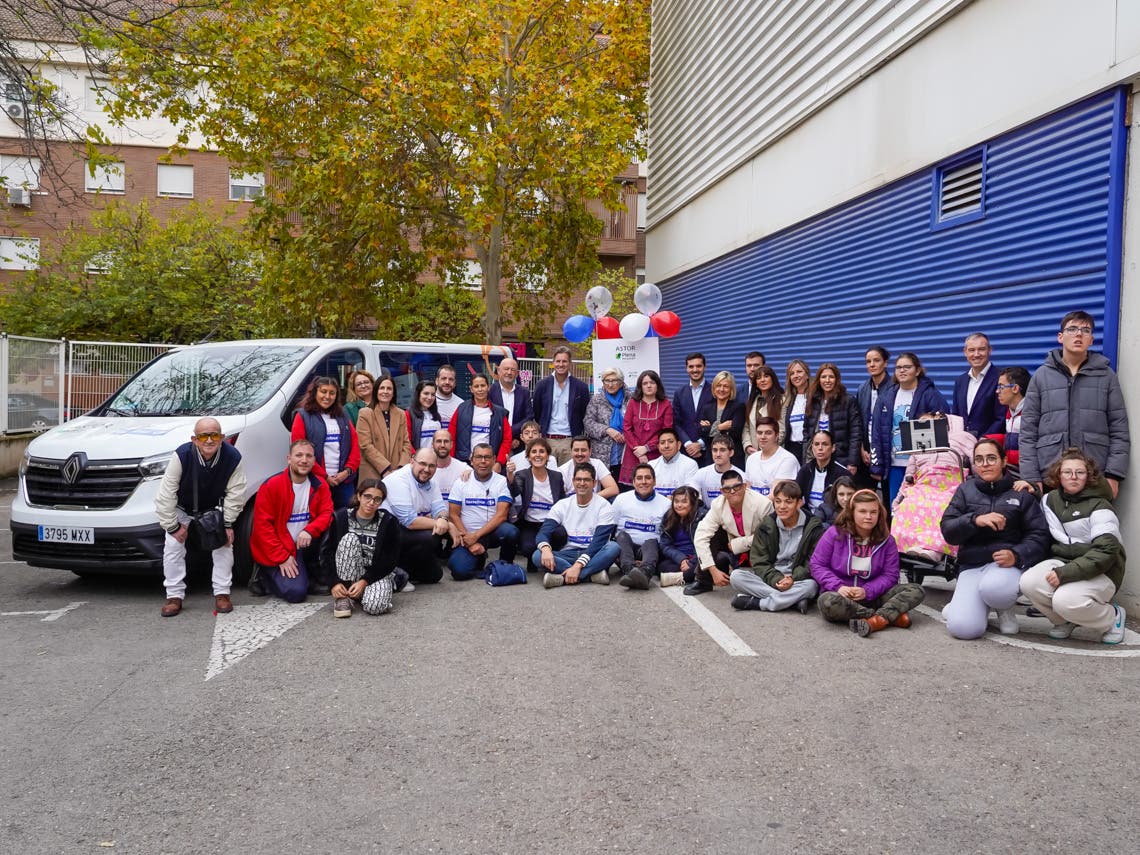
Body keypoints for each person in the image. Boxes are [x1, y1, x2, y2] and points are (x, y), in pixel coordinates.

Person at [939, 438, 1051, 639]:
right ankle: (965, 605)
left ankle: (1003, 607)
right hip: (972, 565)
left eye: (991, 458)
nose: (985, 464)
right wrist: (975, 520)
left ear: (1004, 460)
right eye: (979, 459)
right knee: (963, 629)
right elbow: (948, 530)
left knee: (996, 590)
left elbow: (1040, 535)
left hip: (1006, 567)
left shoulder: (1021, 493)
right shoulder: (965, 490)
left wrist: (1016, 555)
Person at [1020, 448, 1127, 644]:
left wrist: (1066, 573)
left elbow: (1106, 550)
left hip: (1104, 570)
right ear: (1058, 475)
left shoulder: (1100, 505)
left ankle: (1111, 618)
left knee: (1065, 600)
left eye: (1080, 472)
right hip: (1065, 561)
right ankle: (1064, 621)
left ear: (1089, 476)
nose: (1073, 477)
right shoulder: (1051, 500)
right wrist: (1032, 493)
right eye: (1067, 472)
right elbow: (1043, 521)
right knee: (1029, 582)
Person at [1019, 311, 1130, 498]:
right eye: (1072, 329)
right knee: (1049, 526)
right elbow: (1028, 431)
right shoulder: (1041, 376)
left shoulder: (1106, 376)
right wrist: (1031, 476)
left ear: (1092, 340)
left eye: (1085, 330)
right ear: (1060, 337)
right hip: (1051, 475)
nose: (1079, 334)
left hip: (1094, 474)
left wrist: (1114, 474)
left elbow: (1119, 429)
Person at [155, 417, 247, 617]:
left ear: (222, 438)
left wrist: (228, 523)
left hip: (214, 508)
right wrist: (172, 526)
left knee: (224, 544)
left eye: (214, 435)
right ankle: (174, 596)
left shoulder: (233, 457)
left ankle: (222, 593)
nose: (209, 440)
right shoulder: (181, 455)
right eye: (203, 436)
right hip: (183, 507)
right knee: (172, 545)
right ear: (194, 439)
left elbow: (236, 493)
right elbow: (166, 493)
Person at [812, 489, 925, 636]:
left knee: (916, 590)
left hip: (875, 596)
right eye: (863, 511)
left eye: (873, 512)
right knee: (826, 602)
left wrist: (867, 591)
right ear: (851, 512)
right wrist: (838, 586)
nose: (868, 516)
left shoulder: (887, 540)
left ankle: (875, 619)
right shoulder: (835, 533)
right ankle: (884, 617)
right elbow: (817, 565)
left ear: (879, 514)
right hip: (842, 596)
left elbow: (890, 575)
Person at [248, 439, 334, 602]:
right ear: (289, 458)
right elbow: (262, 528)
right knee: (296, 593)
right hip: (280, 548)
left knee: (333, 525)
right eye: (299, 455)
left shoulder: (320, 484)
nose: (304, 460)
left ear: (314, 461)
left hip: (304, 545)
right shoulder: (271, 486)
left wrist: (310, 530)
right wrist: (282, 557)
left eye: (309, 456)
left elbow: (326, 513)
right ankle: (262, 576)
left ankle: (307, 574)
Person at [890, 413, 974, 561]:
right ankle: (910, 546)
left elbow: (976, 461)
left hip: (951, 484)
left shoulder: (962, 438)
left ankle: (936, 550)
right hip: (924, 483)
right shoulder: (918, 447)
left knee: (943, 506)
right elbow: (909, 477)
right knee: (908, 504)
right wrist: (898, 499)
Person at [730, 479, 824, 613]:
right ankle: (793, 601)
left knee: (812, 586)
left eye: (788, 501)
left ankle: (758, 603)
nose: (782, 506)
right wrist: (777, 579)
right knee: (736, 576)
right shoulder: (766, 525)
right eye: (778, 501)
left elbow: (813, 562)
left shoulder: (813, 527)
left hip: (798, 579)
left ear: (799, 503)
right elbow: (759, 561)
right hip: (771, 578)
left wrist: (792, 579)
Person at [869, 352, 949, 505]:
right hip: (894, 466)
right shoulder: (886, 397)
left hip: (923, 467)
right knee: (896, 508)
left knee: (920, 507)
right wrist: (877, 465)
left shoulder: (930, 395)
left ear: (918, 371)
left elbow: (945, 425)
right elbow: (877, 433)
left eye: (907, 367)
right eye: (898, 367)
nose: (902, 370)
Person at [320, 479, 402, 618]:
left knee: (375, 607)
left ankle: (368, 593)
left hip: (375, 574)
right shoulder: (341, 517)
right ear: (359, 496)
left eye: (377, 499)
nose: (371, 503)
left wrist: (365, 581)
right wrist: (333, 583)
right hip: (348, 571)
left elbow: (390, 558)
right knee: (349, 539)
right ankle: (344, 596)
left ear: (381, 502)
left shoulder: (388, 521)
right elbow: (326, 552)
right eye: (367, 497)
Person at [533, 462, 621, 588]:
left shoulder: (604, 506)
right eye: (578, 479)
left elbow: (599, 542)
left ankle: (564, 578)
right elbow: (544, 532)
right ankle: (590, 575)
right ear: (573, 481)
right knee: (538, 555)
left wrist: (578, 566)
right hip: (568, 553)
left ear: (594, 483)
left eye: (586, 480)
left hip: (594, 553)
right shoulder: (562, 505)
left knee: (614, 547)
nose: (582, 483)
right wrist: (546, 549)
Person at [688, 470, 773, 595]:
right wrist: (712, 570)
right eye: (727, 489)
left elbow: (770, 536)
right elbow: (701, 536)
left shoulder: (763, 504)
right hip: (731, 540)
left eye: (736, 487)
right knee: (710, 534)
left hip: (758, 544)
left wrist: (739, 544)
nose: (732, 491)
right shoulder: (717, 504)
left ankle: (767, 578)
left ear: (744, 487)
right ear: (722, 491)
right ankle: (703, 581)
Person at [382, 448, 457, 587]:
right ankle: (394, 573)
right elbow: (409, 521)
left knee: (435, 575)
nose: (427, 469)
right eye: (422, 463)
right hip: (387, 533)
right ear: (412, 461)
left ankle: (405, 571)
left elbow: (440, 509)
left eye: (432, 466)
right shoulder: (398, 480)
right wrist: (448, 524)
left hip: (407, 531)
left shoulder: (432, 482)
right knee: (431, 536)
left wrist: (443, 520)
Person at [447, 443, 518, 581]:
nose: (483, 461)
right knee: (459, 571)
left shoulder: (501, 481)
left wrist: (477, 536)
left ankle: (504, 565)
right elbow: (453, 514)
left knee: (511, 532)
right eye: (479, 457)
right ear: (471, 460)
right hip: (466, 534)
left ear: (494, 459)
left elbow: (502, 515)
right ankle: (479, 558)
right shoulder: (461, 482)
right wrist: (470, 541)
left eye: (487, 457)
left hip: (492, 533)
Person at [290, 375, 360, 509]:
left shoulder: (342, 415)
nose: (327, 396)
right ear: (315, 392)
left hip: (344, 482)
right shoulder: (303, 416)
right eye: (323, 391)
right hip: (315, 480)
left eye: (332, 393)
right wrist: (324, 476)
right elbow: (299, 451)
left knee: (344, 521)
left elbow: (355, 445)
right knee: (320, 520)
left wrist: (347, 472)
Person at [611, 463, 672, 589]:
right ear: (633, 482)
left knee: (652, 541)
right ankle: (630, 570)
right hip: (626, 550)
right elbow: (611, 528)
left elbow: (668, 536)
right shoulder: (621, 499)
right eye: (639, 478)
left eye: (648, 478)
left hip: (651, 551)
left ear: (654, 481)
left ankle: (645, 572)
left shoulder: (666, 504)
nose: (643, 482)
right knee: (621, 536)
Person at [512, 437, 564, 572]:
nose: (538, 455)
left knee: (561, 534)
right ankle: (536, 559)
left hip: (550, 523)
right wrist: (510, 476)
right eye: (534, 452)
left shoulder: (557, 477)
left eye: (542, 451)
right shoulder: (522, 475)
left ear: (548, 456)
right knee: (527, 547)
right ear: (528, 457)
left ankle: (552, 557)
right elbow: (515, 491)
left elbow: (562, 502)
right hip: (530, 523)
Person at [532, 345, 591, 465]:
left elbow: (584, 412)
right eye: (558, 361)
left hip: (570, 441)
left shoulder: (581, 387)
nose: (561, 364)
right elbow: (537, 411)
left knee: (569, 479)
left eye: (564, 361)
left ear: (570, 363)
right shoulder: (542, 385)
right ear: (553, 363)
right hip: (548, 439)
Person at [803, 363, 862, 472]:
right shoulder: (812, 400)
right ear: (818, 380)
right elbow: (806, 429)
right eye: (823, 377)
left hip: (840, 458)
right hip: (816, 458)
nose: (827, 380)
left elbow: (856, 433)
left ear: (837, 379)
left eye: (831, 377)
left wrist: (852, 462)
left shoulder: (847, 400)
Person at [620, 369, 674, 485]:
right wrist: (639, 450)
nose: (649, 386)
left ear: (657, 385)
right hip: (634, 452)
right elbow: (627, 428)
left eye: (652, 383)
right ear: (640, 386)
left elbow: (666, 430)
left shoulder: (666, 404)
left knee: (656, 485)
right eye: (645, 383)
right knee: (634, 488)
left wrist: (647, 448)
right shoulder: (633, 403)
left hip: (656, 453)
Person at [449, 373, 511, 469]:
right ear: (471, 389)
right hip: (464, 463)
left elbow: (507, 440)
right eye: (476, 386)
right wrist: (451, 461)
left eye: (483, 385)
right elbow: (451, 437)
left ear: (488, 387)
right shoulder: (461, 409)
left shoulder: (499, 412)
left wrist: (499, 462)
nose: (480, 389)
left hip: (490, 464)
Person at [357, 371, 410, 481]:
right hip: (373, 473)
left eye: (389, 389)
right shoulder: (365, 413)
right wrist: (385, 469)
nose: (385, 392)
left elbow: (406, 443)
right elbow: (365, 446)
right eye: (382, 388)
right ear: (376, 391)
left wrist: (400, 469)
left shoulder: (401, 414)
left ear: (394, 392)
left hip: (397, 474)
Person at [583, 366, 631, 482]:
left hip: (625, 452)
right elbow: (588, 422)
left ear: (621, 382)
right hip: (602, 455)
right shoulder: (597, 400)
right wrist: (607, 430)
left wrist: (627, 433)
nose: (610, 384)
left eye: (614, 381)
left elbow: (636, 422)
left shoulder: (631, 399)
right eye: (607, 381)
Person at [952, 333, 1003, 438]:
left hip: (989, 446)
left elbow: (1001, 418)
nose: (976, 354)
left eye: (981, 349)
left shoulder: (1001, 378)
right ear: (965, 352)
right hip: (963, 445)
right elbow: (956, 417)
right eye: (971, 350)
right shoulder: (960, 381)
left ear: (990, 350)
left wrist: (984, 440)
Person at [856, 346, 891, 492]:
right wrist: (862, 447)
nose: (872, 364)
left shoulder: (894, 387)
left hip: (887, 450)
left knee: (889, 497)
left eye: (876, 360)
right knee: (865, 494)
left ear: (886, 363)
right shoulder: (862, 389)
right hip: (866, 451)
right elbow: (858, 421)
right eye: (868, 361)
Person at [659, 486, 706, 587]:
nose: (679, 505)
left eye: (684, 502)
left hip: (698, 556)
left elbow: (706, 543)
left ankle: (681, 577)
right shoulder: (668, 517)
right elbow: (665, 545)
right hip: (679, 558)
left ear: (693, 503)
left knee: (703, 565)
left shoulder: (702, 516)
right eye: (676, 501)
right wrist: (681, 559)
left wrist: (691, 562)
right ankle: (690, 575)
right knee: (663, 566)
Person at [795, 431, 850, 515]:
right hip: (808, 518)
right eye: (816, 444)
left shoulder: (842, 473)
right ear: (812, 447)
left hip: (832, 519)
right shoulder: (805, 470)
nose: (820, 448)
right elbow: (795, 495)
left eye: (825, 444)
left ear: (833, 448)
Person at [698, 370, 745, 468]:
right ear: (714, 388)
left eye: (726, 386)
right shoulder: (707, 407)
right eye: (718, 385)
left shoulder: (738, 407)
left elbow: (735, 432)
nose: (722, 389)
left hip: (732, 458)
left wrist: (710, 428)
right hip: (711, 458)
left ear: (731, 389)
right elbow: (701, 432)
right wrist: (720, 427)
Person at [744, 416, 799, 497]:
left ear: (777, 435)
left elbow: (776, 496)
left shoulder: (787, 459)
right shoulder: (751, 459)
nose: (763, 437)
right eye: (759, 433)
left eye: (768, 433)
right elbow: (747, 491)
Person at [673, 352, 713, 463]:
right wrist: (688, 444)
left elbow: (717, 420)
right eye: (691, 366)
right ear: (686, 368)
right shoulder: (679, 393)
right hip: (685, 451)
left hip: (708, 451)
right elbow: (676, 423)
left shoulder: (715, 391)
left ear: (704, 367)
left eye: (698, 366)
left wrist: (700, 443)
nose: (695, 370)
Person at [489, 357, 534, 451]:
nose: (509, 372)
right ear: (498, 370)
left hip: (517, 444)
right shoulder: (490, 391)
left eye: (513, 370)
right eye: (506, 369)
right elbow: (488, 417)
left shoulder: (524, 393)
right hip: (494, 445)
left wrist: (513, 436)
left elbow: (528, 417)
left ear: (517, 373)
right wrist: (507, 438)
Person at [994, 366, 1029, 478]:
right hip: (1011, 469)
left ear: (1015, 388)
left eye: (1001, 387)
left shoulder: (1030, 413)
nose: (997, 391)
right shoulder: (1010, 411)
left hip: (1024, 472)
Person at [742, 366, 784, 457]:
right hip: (752, 454)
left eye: (766, 376)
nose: (762, 380)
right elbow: (746, 427)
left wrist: (768, 449)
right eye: (758, 378)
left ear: (773, 379)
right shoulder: (751, 401)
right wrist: (747, 445)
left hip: (774, 453)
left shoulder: (781, 400)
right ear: (755, 383)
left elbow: (782, 429)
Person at [693, 435, 745, 509]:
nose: (718, 454)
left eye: (722, 450)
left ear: (731, 453)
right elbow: (691, 493)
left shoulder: (741, 476)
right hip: (708, 516)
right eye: (715, 450)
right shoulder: (701, 473)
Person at [649, 427, 699, 499]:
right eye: (662, 443)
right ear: (658, 447)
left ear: (678, 445)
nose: (666, 446)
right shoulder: (651, 465)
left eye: (670, 441)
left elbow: (691, 493)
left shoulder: (690, 464)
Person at [428, 428, 471, 502]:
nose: (442, 445)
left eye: (446, 441)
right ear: (432, 445)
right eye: (438, 441)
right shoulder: (424, 469)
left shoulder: (463, 468)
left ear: (451, 444)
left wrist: (471, 473)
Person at [782, 359, 811, 462]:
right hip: (792, 448)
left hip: (809, 448)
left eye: (799, 371)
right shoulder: (788, 399)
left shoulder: (816, 397)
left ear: (807, 375)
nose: (795, 375)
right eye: (792, 373)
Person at [407, 380, 442, 452]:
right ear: (418, 394)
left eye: (433, 394)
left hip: (436, 459)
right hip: (420, 460)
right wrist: (416, 457)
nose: (429, 397)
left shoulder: (436, 414)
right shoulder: (409, 414)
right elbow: (407, 442)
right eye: (426, 393)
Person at [434, 364, 464, 430]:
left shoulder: (461, 405)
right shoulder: (428, 401)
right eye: (443, 378)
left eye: (451, 379)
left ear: (455, 383)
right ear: (436, 381)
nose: (447, 382)